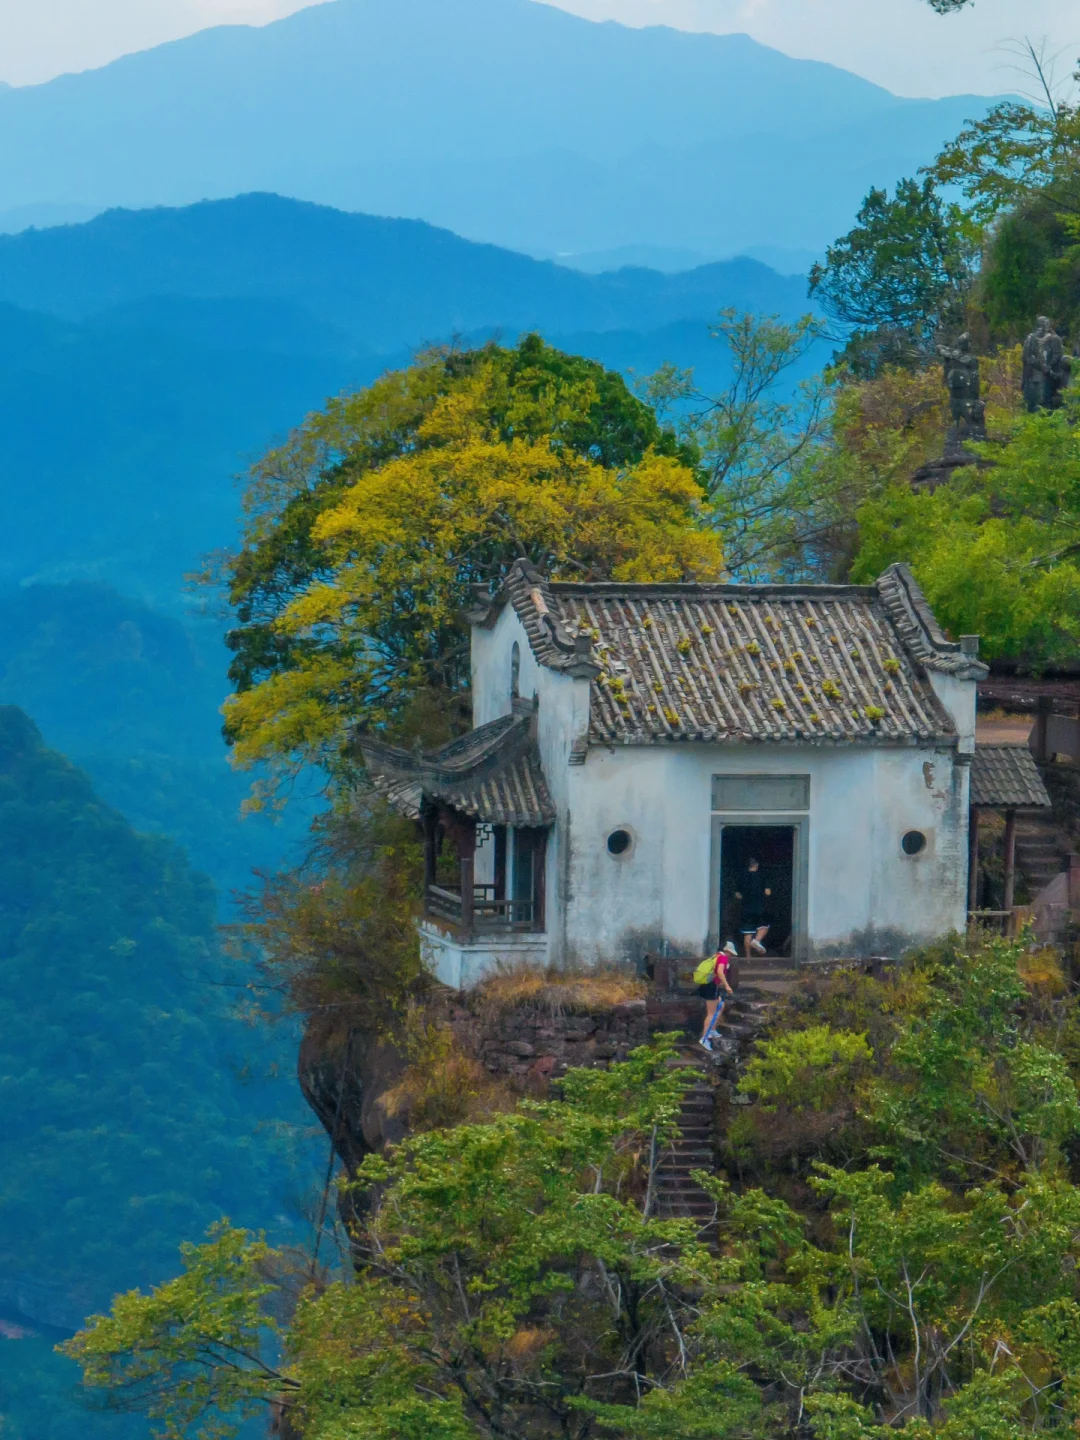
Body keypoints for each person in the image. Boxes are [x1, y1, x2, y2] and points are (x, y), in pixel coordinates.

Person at [699, 942, 736, 1051]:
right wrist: (727, 986)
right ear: (727, 951)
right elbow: (720, 972)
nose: (732, 956)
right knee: (711, 1013)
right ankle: (704, 1038)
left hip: (707, 985)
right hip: (712, 986)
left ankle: (713, 1029)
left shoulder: (716, 956)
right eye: (731, 953)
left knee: (721, 1005)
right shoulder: (723, 958)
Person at [735, 857, 771, 957]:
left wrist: (745, 896)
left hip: (746, 908)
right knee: (765, 926)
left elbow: (737, 895)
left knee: (747, 933)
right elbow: (767, 892)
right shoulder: (762, 876)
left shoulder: (741, 877)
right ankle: (756, 941)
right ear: (756, 865)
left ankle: (748, 957)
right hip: (760, 907)